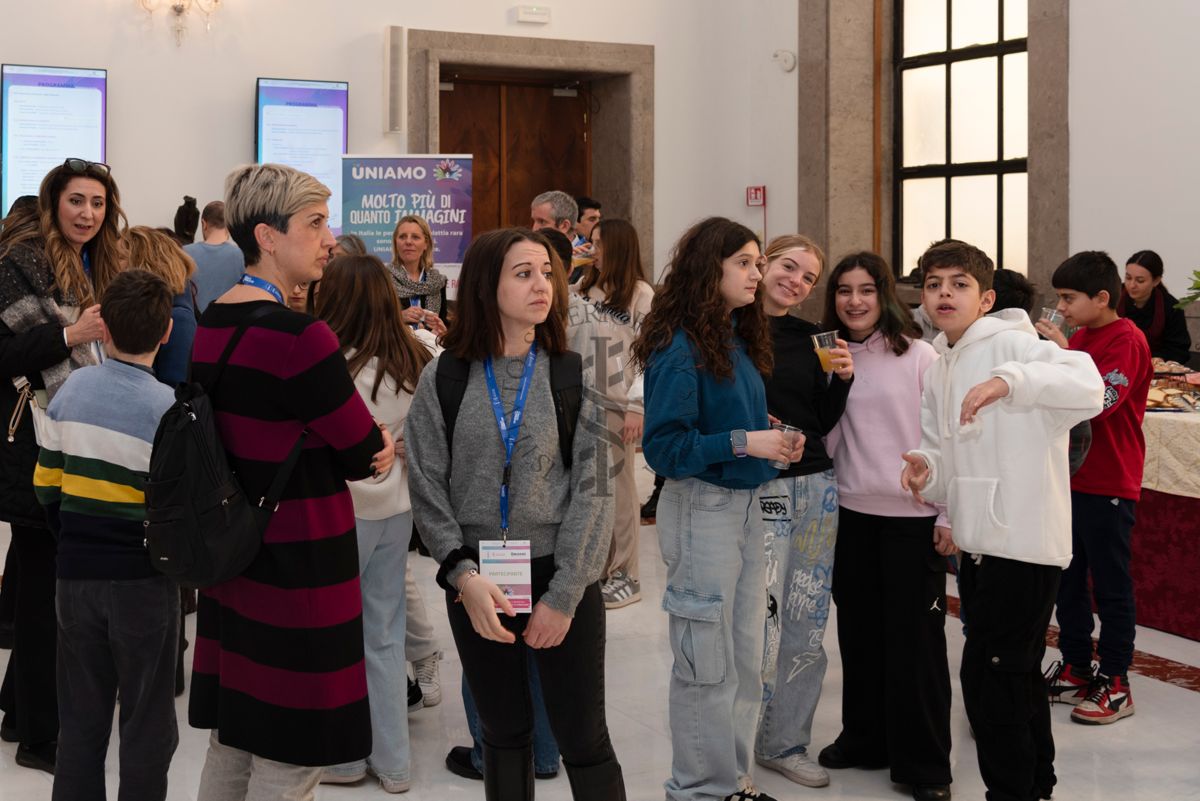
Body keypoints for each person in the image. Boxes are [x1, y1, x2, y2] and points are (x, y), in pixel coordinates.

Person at [188, 163, 395, 800]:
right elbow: (362, 449)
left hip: (237, 556)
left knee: (236, 734)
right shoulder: (300, 335)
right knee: (294, 749)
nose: (329, 239)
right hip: (300, 561)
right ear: (268, 236)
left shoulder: (213, 319)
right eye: (315, 223)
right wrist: (376, 447)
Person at [406, 227, 626, 800]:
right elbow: (427, 486)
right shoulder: (444, 376)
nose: (542, 286)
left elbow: (598, 488)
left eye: (546, 273)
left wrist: (565, 592)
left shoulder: (579, 372)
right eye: (523, 273)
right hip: (479, 580)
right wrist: (463, 575)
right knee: (503, 734)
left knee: (583, 737)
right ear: (485, 285)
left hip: (561, 572)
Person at [900, 240, 1104, 801]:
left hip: (1024, 540)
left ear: (986, 298)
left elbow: (1089, 385)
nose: (945, 293)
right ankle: (1035, 785)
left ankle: (1010, 791)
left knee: (992, 679)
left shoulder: (1017, 341)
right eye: (935, 283)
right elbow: (942, 450)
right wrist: (926, 470)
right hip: (978, 543)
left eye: (959, 284)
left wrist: (1008, 381)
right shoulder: (941, 362)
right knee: (1011, 673)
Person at [633, 217, 804, 801]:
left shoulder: (733, 334)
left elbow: (735, 423)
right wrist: (743, 441)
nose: (760, 274)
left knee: (744, 659)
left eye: (759, 263)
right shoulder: (678, 344)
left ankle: (734, 782)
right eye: (746, 263)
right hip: (702, 507)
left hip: (749, 502)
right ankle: (700, 789)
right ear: (712, 268)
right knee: (705, 663)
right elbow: (664, 448)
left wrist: (772, 435)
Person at [0, 158, 126, 774]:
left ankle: (19, 713)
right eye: (77, 201)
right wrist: (74, 335)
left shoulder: (84, 264)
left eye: (98, 204)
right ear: (54, 205)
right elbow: (8, 355)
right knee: (43, 594)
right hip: (35, 444)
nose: (88, 214)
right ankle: (41, 738)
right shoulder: (20, 264)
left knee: (33, 583)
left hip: (64, 437)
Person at [33, 269, 179, 800]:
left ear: (103, 327)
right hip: (143, 584)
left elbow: (46, 486)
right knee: (146, 725)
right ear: (166, 332)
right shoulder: (168, 410)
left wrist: (73, 538)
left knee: (80, 721)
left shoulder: (70, 392)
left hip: (75, 579)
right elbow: (175, 514)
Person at [819, 252, 952, 801]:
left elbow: (946, 437)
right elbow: (828, 437)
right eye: (845, 291)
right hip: (850, 515)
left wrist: (947, 512)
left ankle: (924, 765)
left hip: (911, 520)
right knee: (860, 637)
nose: (855, 301)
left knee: (916, 644)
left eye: (866, 290)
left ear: (884, 296)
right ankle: (865, 739)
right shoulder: (829, 355)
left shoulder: (920, 355)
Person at [314, 254, 437, 793]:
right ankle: (394, 764)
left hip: (342, 513)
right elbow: (427, 440)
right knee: (384, 637)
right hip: (396, 511)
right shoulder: (416, 358)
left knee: (338, 638)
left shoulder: (329, 365)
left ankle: (344, 762)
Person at [751, 235, 853, 790]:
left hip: (813, 486)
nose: (797, 280)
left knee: (806, 620)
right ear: (763, 264)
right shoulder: (728, 329)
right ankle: (741, 734)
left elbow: (821, 417)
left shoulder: (816, 337)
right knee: (756, 619)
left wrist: (842, 379)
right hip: (754, 486)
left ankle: (784, 742)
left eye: (809, 277)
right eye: (789, 267)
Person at [1036, 251, 1152, 725]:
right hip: (1070, 477)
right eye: (1059, 297)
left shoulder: (1126, 339)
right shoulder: (1081, 335)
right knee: (1068, 579)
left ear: (1102, 298)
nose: (1060, 307)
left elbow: (1098, 402)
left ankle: (1117, 679)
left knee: (1110, 584)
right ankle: (1078, 666)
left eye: (1069, 298)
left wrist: (1062, 355)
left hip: (1110, 479)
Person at [567, 218, 655, 610]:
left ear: (618, 247)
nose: (592, 249)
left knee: (620, 493)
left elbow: (649, 357)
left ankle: (628, 575)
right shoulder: (582, 288)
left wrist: (637, 406)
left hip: (619, 404)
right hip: (581, 400)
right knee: (591, 491)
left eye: (599, 243)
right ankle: (601, 567)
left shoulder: (641, 295)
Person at [124, 226, 198, 387]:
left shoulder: (178, 318)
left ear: (141, 261)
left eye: (121, 257)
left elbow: (174, 390)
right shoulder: (161, 308)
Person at [1116, 249, 1192, 363]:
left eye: (1140, 280)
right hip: (1116, 362)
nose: (1132, 285)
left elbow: (1178, 349)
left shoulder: (1171, 307)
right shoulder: (1113, 297)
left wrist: (1160, 358)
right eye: (1128, 278)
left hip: (1153, 370)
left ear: (1156, 281)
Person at [388, 214, 448, 337]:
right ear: (396, 242)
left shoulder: (437, 282)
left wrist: (442, 330)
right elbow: (371, 322)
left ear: (426, 244)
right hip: (394, 350)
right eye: (402, 237)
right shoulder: (383, 279)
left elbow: (443, 323)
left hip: (430, 351)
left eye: (415, 237)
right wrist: (399, 317)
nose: (408, 242)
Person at [185, 201, 245, 312]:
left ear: (204, 224)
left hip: (196, 326)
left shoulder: (185, 253)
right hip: (230, 325)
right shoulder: (242, 255)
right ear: (228, 225)